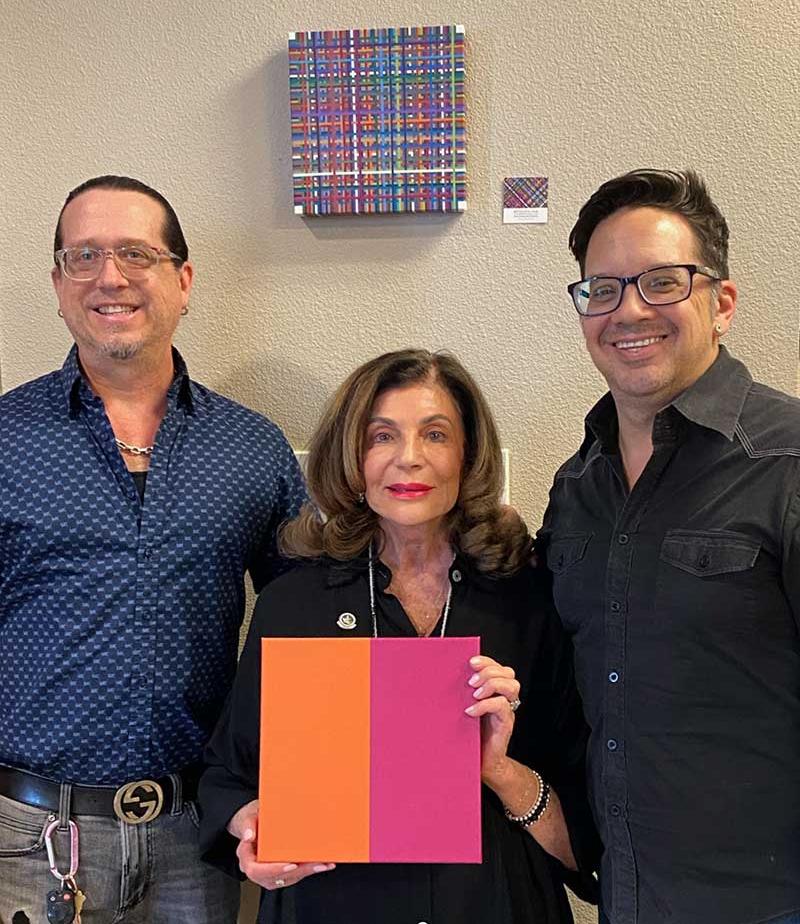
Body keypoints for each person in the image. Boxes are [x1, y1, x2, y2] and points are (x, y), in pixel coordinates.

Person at [199, 348, 600, 923]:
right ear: (351, 458)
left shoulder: (528, 598)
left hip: (494, 905)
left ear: (468, 456)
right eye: (381, 436)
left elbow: (588, 843)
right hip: (330, 906)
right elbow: (226, 777)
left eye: (435, 435)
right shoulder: (295, 603)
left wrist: (497, 770)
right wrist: (253, 835)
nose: (408, 459)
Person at [0, 176, 306, 923]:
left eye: (136, 253)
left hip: (197, 835)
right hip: (30, 838)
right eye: (84, 256)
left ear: (183, 280)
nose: (110, 276)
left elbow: (309, 624)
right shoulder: (6, 439)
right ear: (59, 284)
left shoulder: (254, 449)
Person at [538, 169, 800, 924]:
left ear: (721, 304)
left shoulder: (785, 465)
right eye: (603, 289)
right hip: (628, 898)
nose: (629, 311)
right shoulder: (576, 486)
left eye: (662, 282)